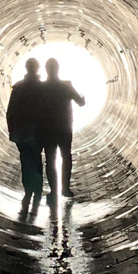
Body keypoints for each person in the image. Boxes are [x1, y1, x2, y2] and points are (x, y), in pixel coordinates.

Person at [38, 58, 85, 204]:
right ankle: (65, 188)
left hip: (47, 129)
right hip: (64, 128)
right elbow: (81, 103)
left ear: (46, 70)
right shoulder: (66, 86)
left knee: (50, 159)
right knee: (66, 157)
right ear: (57, 69)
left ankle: (53, 191)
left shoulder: (41, 87)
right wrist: (82, 94)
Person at [6, 58, 44, 209]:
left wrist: (12, 131)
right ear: (37, 68)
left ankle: (29, 192)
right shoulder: (42, 88)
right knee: (36, 161)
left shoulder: (19, 87)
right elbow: (47, 112)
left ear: (27, 68)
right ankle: (37, 192)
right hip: (38, 132)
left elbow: (10, 111)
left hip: (22, 132)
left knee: (26, 161)